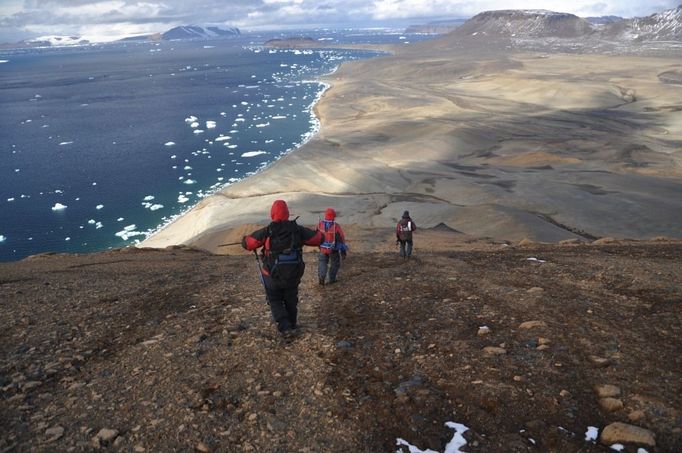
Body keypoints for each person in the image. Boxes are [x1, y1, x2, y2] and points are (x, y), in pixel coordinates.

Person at [242, 200, 323, 336]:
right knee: (291, 298)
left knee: (274, 299)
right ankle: (292, 323)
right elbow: (318, 239)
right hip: (293, 274)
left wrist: (243, 240)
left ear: (272, 214)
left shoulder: (268, 231)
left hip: (272, 275)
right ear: (287, 213)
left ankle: (285, 327)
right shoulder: (297, 230)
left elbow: (249, 243)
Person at [317, 208, 348, 285]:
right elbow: (341, 239)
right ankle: (332, 279)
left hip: (322, 249)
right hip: (333, 249)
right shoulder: (336, 226)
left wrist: (319, 246)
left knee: (322, 262)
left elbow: (316, 236)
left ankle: (321, 277)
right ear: (334, 216)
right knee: (335, 263)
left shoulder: (320, 224)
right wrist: (343, 252)